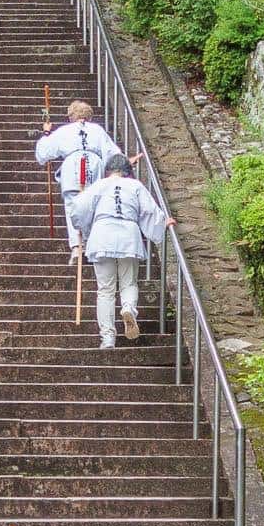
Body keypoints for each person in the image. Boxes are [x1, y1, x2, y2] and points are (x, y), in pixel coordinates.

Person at [67, 154, 173, 349]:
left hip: (102, 234)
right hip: (128, 235)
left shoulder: (99, 185)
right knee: (128, 282)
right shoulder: (136, 186)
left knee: (105, 290)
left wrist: (82, 225)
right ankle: (128, 308)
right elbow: (150, 211)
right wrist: (162, 224)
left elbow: (77, 208)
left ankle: (108, 338)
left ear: (108, 170)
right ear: (127, 171)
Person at [32, 100, 125, 248]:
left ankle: (77, 245)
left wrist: (46, 132)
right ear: (89, 116)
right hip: (94, 165)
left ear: (71, 117)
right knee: (93, 204)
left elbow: (43, 153)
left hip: (71, 166)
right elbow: (113, 154)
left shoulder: (65, 130)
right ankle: (90, 242)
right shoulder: (97, 130)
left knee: (72, 204)